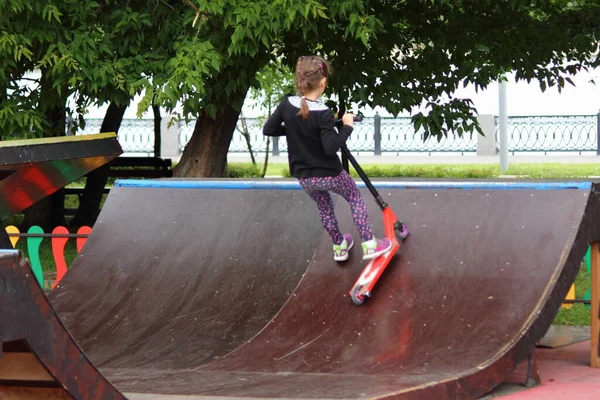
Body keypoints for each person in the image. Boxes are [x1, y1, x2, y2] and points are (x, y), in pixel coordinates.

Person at [263, 55, 402, 262]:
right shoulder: (323, 113)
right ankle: (370, 244)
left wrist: (295, 131)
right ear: (323, 81)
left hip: (304, 177)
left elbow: (269, 129)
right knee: (354, 196)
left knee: (324, 207)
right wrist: (347, 126)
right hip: (329, 173)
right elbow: (330, 148)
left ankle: (339, 246)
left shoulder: (286, 105)